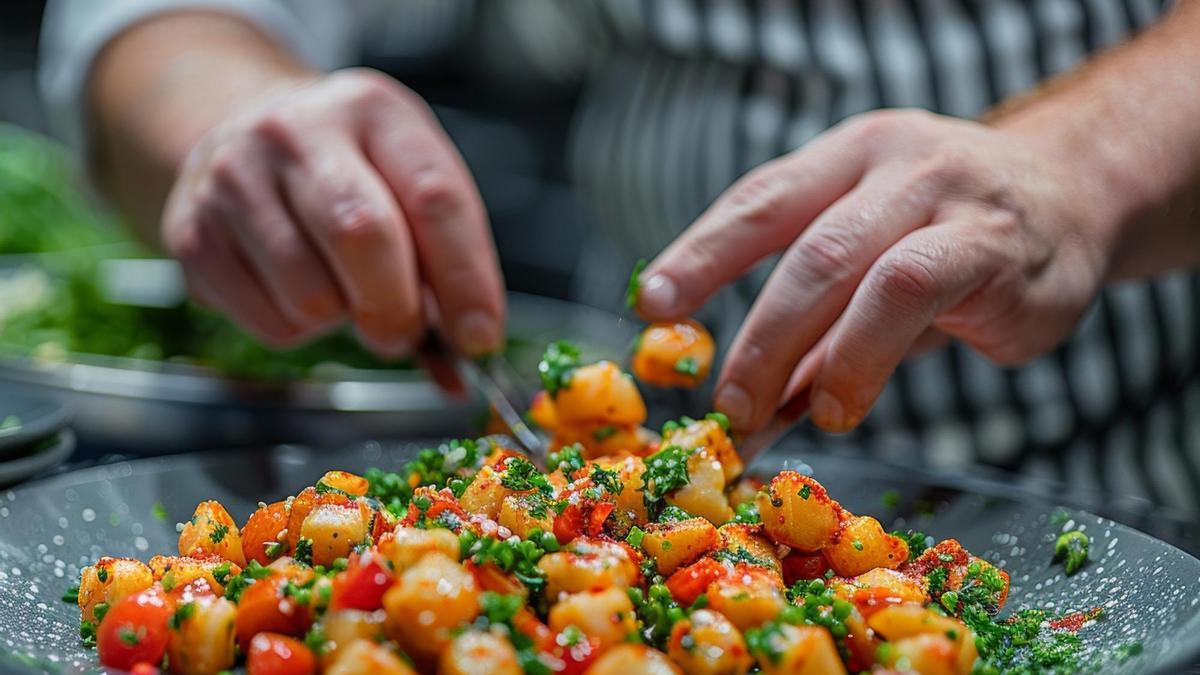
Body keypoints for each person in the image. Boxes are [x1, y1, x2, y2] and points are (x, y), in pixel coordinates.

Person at [40, 1, 1200, 515]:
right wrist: (230, 121)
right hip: (617, 443)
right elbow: (160, 21)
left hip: (1124, 486)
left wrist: (1081, 166)